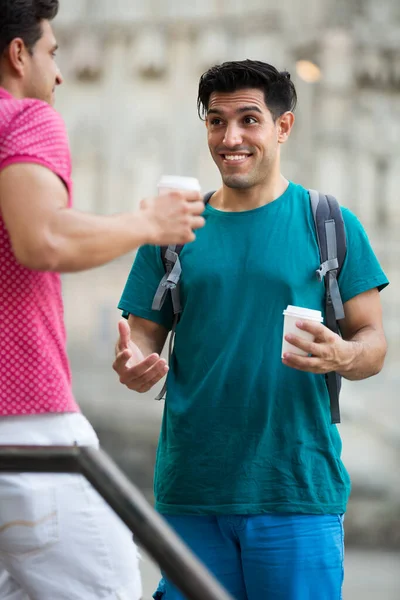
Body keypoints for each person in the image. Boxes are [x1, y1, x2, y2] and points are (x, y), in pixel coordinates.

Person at [114, 60, 389, 600]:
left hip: (296, 489)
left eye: (248, 119)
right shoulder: (175, 229)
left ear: (283, 127)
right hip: (192, 490)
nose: (230, 137)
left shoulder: (329, 223)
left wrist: (340, 356)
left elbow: (373, 343)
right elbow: (142, 333)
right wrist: (135, 361)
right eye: (216, 121)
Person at [0, 1, 205, 599]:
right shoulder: (26, 119)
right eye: (52, 52)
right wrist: (147, 223)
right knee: (108, 588)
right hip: (26, 414)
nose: (59, 72)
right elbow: (43, 238)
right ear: (19, 54)